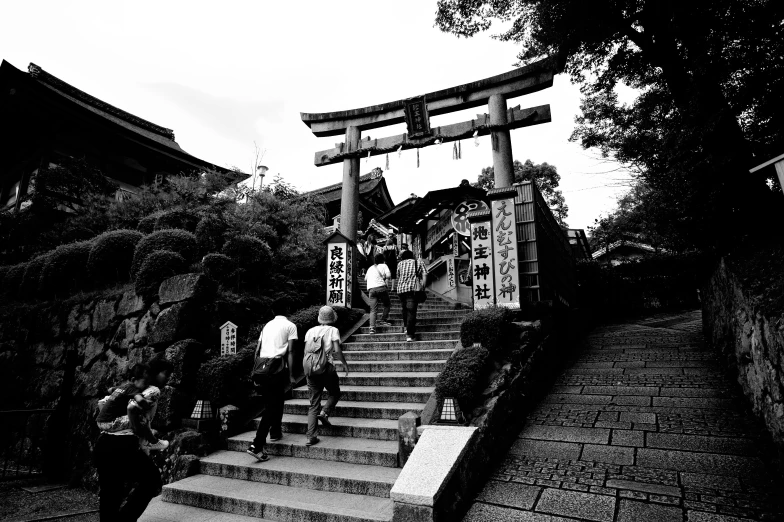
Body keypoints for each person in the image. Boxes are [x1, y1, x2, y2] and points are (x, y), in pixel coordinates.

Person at [94, 358, 173, 522]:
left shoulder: (130, 387)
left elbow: (102, 403)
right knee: (152, 480)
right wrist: (136, 427)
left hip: (104, 443)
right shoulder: (152, 390)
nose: (168, 378)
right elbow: (133, 408)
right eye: (166, 373)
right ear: (155, 372)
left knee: (110, 493)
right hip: (123, 445)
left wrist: (111, 424)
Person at [247, 298, 298, 463]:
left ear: (273, 311)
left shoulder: (267, 326)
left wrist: (254, 373)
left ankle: (275, 432)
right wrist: (291, 374)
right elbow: (290, 352)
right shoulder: (290, 326)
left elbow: (257, 350)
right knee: (272, 406)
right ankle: (257, 445)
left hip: (262, 369)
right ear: (288, 308)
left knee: (277, 400)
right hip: (276, 369)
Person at [304, 306, 349, 447]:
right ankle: (325, 412)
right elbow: (336, 350)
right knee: (335, 392)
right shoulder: (333, 330)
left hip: (310, 368)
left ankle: (311, 437)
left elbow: (306, 351)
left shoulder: (310, 331)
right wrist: (345, 364)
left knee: (313, 404)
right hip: (326, 368)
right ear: (332, 318)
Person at [96, 363, 168, 452]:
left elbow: (110, 390)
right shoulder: (133, 389)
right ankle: (152, 442)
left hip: (100, 421)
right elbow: (140, 400)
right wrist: (146, 405)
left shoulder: (122, 387)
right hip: (110, 423)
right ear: (133, 379)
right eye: (145, 382)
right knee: (141, 419)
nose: (146, 386)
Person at [396, 250, 426, 343]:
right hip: (412, 290)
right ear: (412, 256)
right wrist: (423, 286)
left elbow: (398, 275)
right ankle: (410, 335)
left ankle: (406, 327)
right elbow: (425, 274)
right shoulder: (418, 262)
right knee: (411, 311)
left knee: (404, 309)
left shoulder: (400, 264)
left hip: (401, 290)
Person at [366, 253, 392, 334]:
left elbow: (365, 278)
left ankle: (372, 328)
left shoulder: (370, 268)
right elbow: (388, 276)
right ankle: (383, 320)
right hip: (381, 288)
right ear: (383, 259)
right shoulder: (384, 265)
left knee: (373, 309)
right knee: (387, 304)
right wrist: (383, 277)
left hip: (371, 289)